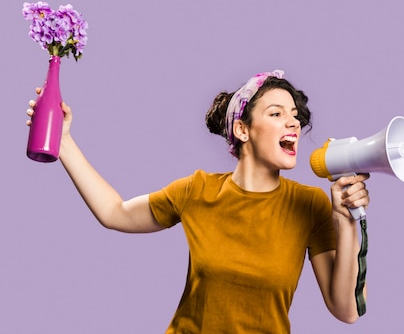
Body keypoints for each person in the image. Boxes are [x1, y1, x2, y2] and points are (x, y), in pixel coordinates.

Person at [26, 69, 370, 333]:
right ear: (242, 130)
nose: (293, 122)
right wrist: (64, 141)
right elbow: (114, 212)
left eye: (294, 114)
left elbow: (347, 310)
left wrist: (347, 222)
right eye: (277, 113)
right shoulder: (197, 190)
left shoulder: (309, 205)